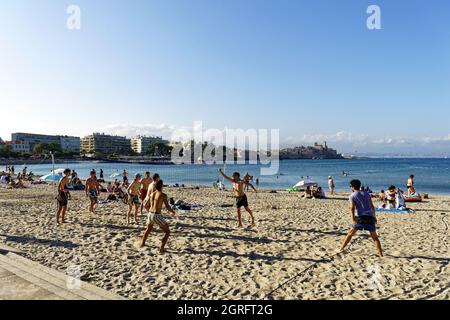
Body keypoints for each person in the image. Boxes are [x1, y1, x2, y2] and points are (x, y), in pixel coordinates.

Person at [339, 179, 383, 257]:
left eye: (350, 186)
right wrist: (374, 217)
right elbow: (372, 206)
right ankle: (380, 254)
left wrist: (352, 219)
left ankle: (341, 248)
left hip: (361, 218)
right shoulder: (367, 194)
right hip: (370, 217)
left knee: (350, 234)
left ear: (352, 187)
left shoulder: (352, 195)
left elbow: (352, 208)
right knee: (375, 237)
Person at [140, 180, 176, 254]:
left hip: (150, 214)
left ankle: (142, 243)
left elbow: (145, 204)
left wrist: (150, 210)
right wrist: (172, 211)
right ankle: (161, 248)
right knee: (167, 232)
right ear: (161, 186)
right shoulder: (163, 195)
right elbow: (167, 207)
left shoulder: (152, 194)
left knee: (148, 229)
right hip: (156, 215)